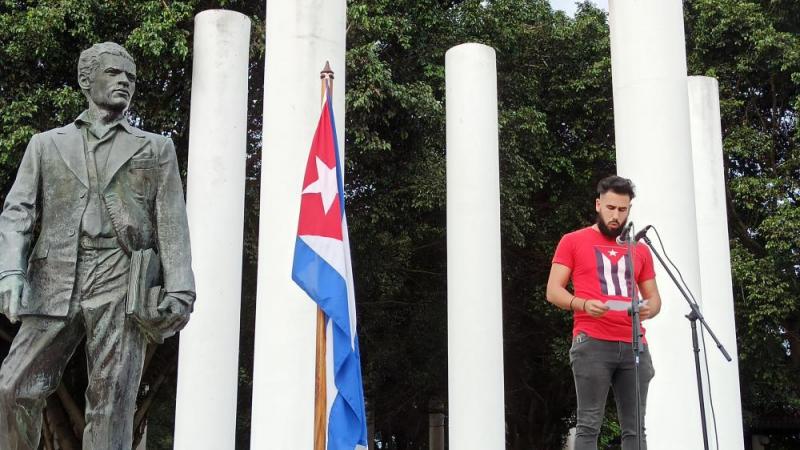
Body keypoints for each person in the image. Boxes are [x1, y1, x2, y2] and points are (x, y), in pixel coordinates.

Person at [0, 42, 195, 450]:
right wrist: (11, 271)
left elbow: (172, 222)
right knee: (14, 388)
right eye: (114, 73)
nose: (126, 81)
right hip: (54, 277)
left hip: (121, 279)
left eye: (132, 77)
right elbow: (18, 212)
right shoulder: (45, 145)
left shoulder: (154, 148)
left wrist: (180, 290)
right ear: (86, 80)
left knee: (111, 404)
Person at [546, 175, 662, 450]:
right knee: (589, 424)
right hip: (592, 341)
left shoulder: (640, 249)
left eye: (622, 210)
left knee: (636, 429)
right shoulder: (573, 241)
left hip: (635, 344)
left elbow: (654, 298)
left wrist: (649, 309)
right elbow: (553, 291)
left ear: (629, 210)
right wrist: (583, 304)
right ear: (598, 204)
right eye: (610, 208)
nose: (615, 216)